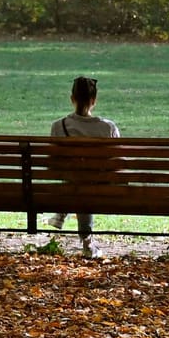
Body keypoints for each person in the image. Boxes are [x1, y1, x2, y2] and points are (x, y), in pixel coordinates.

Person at [48, 76, 118, 255]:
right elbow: (117, 164)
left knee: (78, 182)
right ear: (94, 101)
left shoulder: (58, 126)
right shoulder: (108, 128)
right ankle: (87, 242)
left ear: (72, 99)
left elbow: (53, 164)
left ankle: (63, 211)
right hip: (99, 186)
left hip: (72, 185)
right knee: (85, 184)